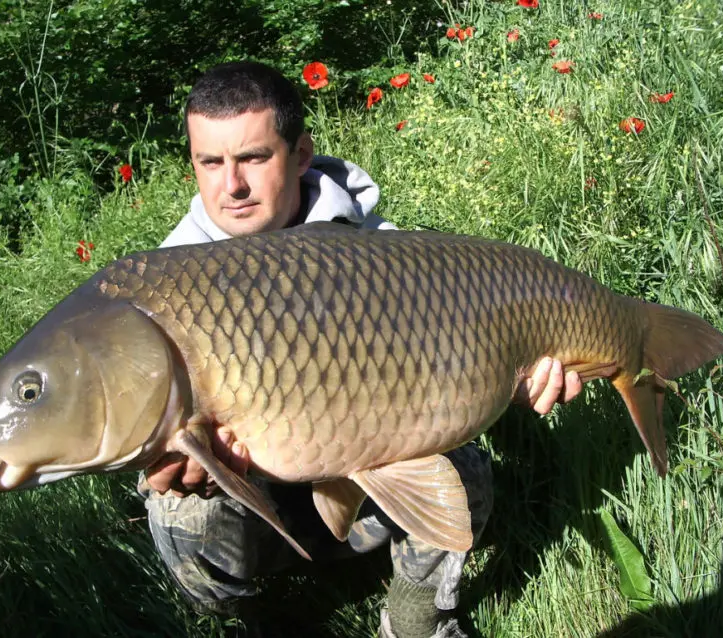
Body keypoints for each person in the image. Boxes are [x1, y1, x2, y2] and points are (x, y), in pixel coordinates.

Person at [139, 61, 582, 638]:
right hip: (258, 505)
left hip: (374, 486)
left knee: (461, 464)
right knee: (175, 502)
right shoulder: (170, 287)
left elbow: (465, 362)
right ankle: (257, 619)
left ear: (300, 156)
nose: (232, 187)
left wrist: (514, 377)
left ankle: (416, 618)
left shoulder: (381, 257)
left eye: (253, 158)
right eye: (210, 162)